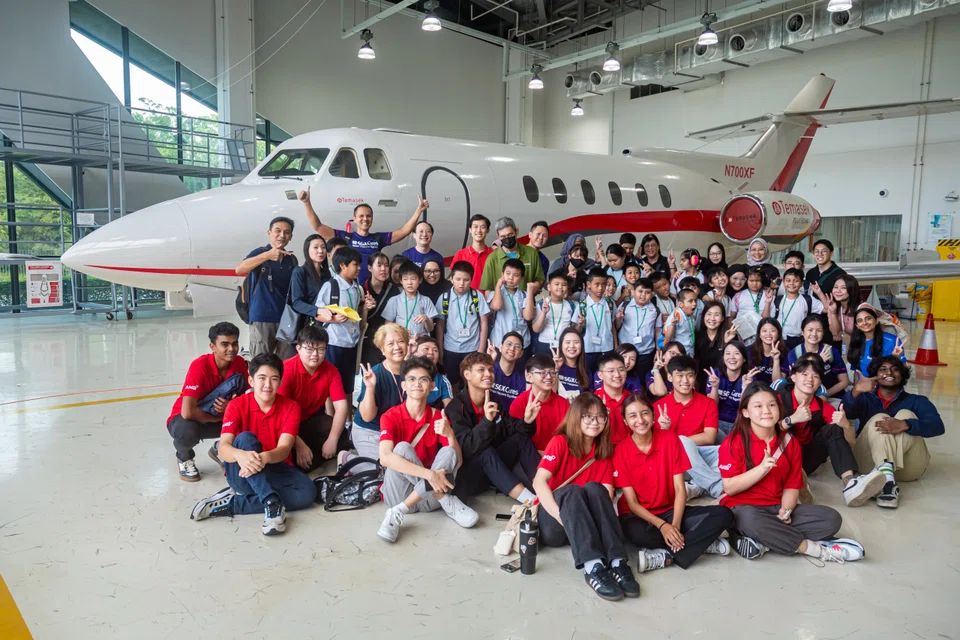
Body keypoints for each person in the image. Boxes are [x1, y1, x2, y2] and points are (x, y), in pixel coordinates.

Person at [718, 382, 865, 563]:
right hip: (743, 508)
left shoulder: (790, 442)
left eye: (772, 405)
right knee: (750, 520)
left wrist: (786, 510)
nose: (766, 411)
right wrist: (762, 468)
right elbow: (730, 487)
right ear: (746, 412)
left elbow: (791, 485)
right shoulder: (734, 442)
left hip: (775, 508)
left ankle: (765, 540)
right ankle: (815, 549)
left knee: (831, 519)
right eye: (758, 406)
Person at [190, 354, 317, 536]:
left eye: (274, 379)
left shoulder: (291, 407)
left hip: (273, 465)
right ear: (251, 380)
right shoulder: (236, 405)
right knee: (246, 439)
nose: (268, 385)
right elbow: (224, 447)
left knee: (307, 493)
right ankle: (272, 503)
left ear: (280, 382)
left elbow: (283, 450)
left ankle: (232, 503)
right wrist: (242, 456)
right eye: (262, 378)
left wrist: (263, 458)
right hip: (241, 471)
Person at [533, 394, 640, 601]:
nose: (595, 422)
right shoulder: (560, 442)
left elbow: (607, 492)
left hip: (585, 525)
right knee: (573, 491)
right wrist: (562, 516)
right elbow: (539, 482)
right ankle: (593, 567)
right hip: (555, 523)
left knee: (595, 488)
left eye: (600, 417)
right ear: (576, 418)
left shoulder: (603, 449)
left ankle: (618, 562)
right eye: (588, 417)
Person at [616, 393, 734, 572]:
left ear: (653, 415)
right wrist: (663, 526)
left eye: (645, 413)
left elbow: (680, 489)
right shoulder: (621, 451)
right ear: (625, 421)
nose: (640, 420)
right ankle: (699, 543)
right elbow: (632, 503)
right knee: (634, 533)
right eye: (632, 416)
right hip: (640, 516)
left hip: (671, 511)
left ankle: (667, 556)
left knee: (724, 515)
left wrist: (675, 526)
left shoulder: (670, 440)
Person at [376, 357, 479, 543]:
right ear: (404, 386)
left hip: (430, 499)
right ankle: (447, 501)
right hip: (400, 493)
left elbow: (458, 460)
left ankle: (398, 512)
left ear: (432, 386)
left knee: (449, 451)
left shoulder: (439, 416)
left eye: (423, 379)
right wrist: (429, 475)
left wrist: (449, 435)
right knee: (402, 448)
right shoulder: (390, 416)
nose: (417, 384)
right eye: (411, 379)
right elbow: (385, 458)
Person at [775, 354, 887, 507]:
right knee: (784, 437)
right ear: (793, 377)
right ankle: (793, 486)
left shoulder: (823, 408)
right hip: (780, 456)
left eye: (815, 376)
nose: (810, 379)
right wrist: (791, 419)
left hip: (806, 460)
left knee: (833, 428)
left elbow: (852, 444)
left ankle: (850, 484)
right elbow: (761, 433)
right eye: (805, 374)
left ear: (820, 382)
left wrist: (846, 425)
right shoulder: (777, 400)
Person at [843, 357, 944, 508]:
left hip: (908, 469)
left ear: (902, 375)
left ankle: (886, 477)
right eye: (883, 369)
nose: (889, 372)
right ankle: (888, 484)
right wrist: (856, 390)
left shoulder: (916, 401)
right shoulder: (865, 398)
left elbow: (937, 426)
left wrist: (905, 424)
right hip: (868, 463)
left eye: (895, 369)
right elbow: (847, 413)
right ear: (875, 375)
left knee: (906, 415)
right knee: (880, 418)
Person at [445, 352, 540, 502]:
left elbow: (512, 429)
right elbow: (466, 448)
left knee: (521, 439)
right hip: (467, 476)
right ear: (467, 374)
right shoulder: (455, 407)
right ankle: (532, 502)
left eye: (490, 370)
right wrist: (486, 420)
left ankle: (545, 488)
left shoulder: (494, 401)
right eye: (481, 370)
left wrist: (527, 421)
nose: (488, 374)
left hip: (494, 469)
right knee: (486, 452)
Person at [167, 322, 249, 482]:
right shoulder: (199, 366)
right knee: (186, 432)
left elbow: (246, 398)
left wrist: (231, 407)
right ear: (212, 346)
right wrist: (222, 417)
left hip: (221, 416)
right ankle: (184, 458)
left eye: (235, 344)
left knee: (250, 420)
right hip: (188, 418)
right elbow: (188, 412)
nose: (231, 349)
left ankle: (222, 448)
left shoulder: (239, 363)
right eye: (224, 344)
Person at [299, 188, 429, 285]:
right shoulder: (346, 237)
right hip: (350, 287)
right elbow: (318, 227)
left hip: (372, 288)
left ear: (372, 219)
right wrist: (306, 202)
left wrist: (419, 210)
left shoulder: (378, 238)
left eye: (368, 216)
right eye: (361, 216)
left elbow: (404, 231)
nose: (365, 219)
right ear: (354, 219)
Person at [277, 326, 351, 472]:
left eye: (321, 349)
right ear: (298, 348)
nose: (315, 355)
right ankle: (305, 460)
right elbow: (279, 413)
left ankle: (309, 460)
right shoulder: (285, 370)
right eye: (309, 349)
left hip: (310, 420)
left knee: (339, 434)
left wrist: (332, 440)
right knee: (283, 452)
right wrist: (299, 445)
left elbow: (341, 407)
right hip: (285, 424)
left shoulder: (330, 370)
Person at [654, 355, 723, 499]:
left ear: (695, 378)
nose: (685, 381)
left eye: (690, 375)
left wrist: (680, 441)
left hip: (699, 459)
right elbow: (656, 445)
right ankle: (716, 487)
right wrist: (665, 432)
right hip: (672, 464)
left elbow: (709, 437)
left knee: (727, 450)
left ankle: (694, 488)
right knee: (683, 442)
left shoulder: (708, 403)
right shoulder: (658, 407)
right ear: (670, 377)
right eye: (679, 375)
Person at [349, 324, 411, 473]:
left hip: (398, 432)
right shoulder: (375, 374)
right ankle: (348, 459)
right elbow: (367, 417)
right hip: (371, 431)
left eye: (401, 341)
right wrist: (370, 388)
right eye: (390, 343)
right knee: (384, 472)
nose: (397, 347)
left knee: (407, 468)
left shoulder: (413, 371)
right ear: (382, 350)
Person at [235, 216, 298, 358]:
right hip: (261, 319)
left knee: (284, 366)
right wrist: (267, 255)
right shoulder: (260, 252)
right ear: (269, 233)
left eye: (286, 232)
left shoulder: (291, 259)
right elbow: (239, 269)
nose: (282, 235)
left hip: (285, 321)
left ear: (291, 237)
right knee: (261, 364)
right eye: (278, 231)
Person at [316, 247, 369, 402]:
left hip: (351, 342)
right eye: (355, 264)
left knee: (348, 385)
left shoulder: (356, 288)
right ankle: (331, 418)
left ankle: (347, 420)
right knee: (331, 384)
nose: (359, 268)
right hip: (334, 342)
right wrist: (333, 319)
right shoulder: (330, 286)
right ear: (342, 266)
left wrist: (365, 305)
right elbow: (317, 314)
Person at [436, 261, 491, 388]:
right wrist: (440, 349)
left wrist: (481, 349)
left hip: (472, 348)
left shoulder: (477, 296)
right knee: (451, 382)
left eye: (466, 280)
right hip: (450, 348)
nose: (461, 283)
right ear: (451, 279)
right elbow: (440, 325)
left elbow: (484, 323)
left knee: (471, 382)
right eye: (458, 279)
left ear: (471, 280)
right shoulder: (444, 298)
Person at [509, 355, 571, 451]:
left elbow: (569, 437)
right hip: (526, 458)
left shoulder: (564, 404)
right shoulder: (519, 403)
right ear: (529, 377)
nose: (549, 377)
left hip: (555, 457)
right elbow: (514, 440)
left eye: (552, 373)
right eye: (543, 373)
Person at [708, 342, 761, 440]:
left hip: (739, 423)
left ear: (744, 358)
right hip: (716, 422)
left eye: (736, 353)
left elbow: (746, 408)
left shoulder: (750, 377)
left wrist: (745, 386)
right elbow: (712, 405)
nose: (731, 357)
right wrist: (715, 387)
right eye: (727, 353)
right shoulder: (715, 374)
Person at [786, 315, 848, 399]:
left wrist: (822, 395)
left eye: (819, 330)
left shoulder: (831, 351)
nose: (814, 334)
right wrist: (819, 360)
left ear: (823, 333)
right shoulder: (795, 354)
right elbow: (795, 381)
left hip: (833, 396)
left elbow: (844, 382)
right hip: (804, 397)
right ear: (802, 332)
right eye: (810, 330)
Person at [479, 216, 545, 291]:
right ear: (498, 237)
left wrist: (533, 288)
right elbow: (488, 289)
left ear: (517, 231)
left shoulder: (531, 253)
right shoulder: (492, 258)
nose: (507, 238)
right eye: (503, 236)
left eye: (510, 235)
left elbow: (540, 279)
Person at [614, 277, 661, 382]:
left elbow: (657, 330)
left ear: (652, 294)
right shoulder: (625, 306)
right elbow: (616, 327)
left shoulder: (655, 310)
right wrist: (618, 320)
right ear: (633, 292)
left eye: (647, 292)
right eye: (640, 291)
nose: (643, 295)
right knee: (622, 380)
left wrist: (658, 350)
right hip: (625, 353)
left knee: (643, 381)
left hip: (645, 353)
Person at [359, 252, 399, 367]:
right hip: (368, 341)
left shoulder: (393, 290)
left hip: (388, 339)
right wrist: (365, 308)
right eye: (379, 265)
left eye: (386, 265)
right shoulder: (361, 289)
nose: (383, 269)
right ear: (370, 268)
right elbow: (358, 323)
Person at [488, 259, 536, 353]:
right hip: (500, 341)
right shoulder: (495, 293)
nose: (511, 277)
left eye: (515, 275)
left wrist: (530, 292)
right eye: (508, 273)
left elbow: (528, 316)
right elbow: (497, 306)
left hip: (522, 341)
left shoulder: (524, 295)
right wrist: (498, 286)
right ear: (502, 275)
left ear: (521, 278)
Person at [380, 262, 438, 340]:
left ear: (420, 280)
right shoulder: (394, 300)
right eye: (405, 279)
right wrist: (398, 331)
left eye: (413, 279)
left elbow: (430, 329)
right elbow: (387, 325)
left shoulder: (426, 300)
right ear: (401, 281)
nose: (409, 282)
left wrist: (426, 319)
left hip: (421, 342)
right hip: (402, 340)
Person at [768, 268, 823, 349]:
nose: (791, 283)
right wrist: (767, 303)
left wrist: (819, 293)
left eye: (796, 281)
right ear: (783, 282)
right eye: (788, 280)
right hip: (781, 338)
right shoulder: (777, 300)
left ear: (802, 284)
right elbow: (767, 317)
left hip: (801, 338)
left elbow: (826, 309)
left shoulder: (808, 299)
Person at [288, 234, 331, 331]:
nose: (320, 251)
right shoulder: (300, 272)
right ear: (307, 250)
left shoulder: (327, 275)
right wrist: (318, 310)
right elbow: (297, 303)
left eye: (323, 247)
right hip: (307, 326)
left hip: (326, 326)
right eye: (315, 247)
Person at [848, 305, 906, 376]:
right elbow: (857, 372)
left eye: (868, 318)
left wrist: (896, 358)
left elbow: (904, 371)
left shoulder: (892, 341)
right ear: (857, 326)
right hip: (865, 385)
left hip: (885, 385)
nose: (864, 323)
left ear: (877, 320)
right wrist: (857, 386)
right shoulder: (856, 342)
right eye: (860, 320)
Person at [532, 270, 580, 355]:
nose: (560, 287)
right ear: (549, 287)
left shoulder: (572, 306)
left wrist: (579, 324)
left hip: (564, 344)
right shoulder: (541, 304)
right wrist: (543, 312)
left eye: (564, 285)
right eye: (557, 284)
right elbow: (536, 329)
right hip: (544, 344)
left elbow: (575, 331)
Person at [581, 268, 616, 371]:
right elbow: (577, 329)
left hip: (607, 347)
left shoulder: (610, 303)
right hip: (588, 348)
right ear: (588, 284)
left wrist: (616, 344)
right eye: (597, 284)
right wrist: (580, 324)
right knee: (589, 374)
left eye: (604, 284)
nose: (601, 288)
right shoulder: (583, 305)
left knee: (606, 374)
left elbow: (613, 325)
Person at [694, 300, 734, 393]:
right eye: (709, 314)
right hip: (701, 382)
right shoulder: (696, 336)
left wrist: (726, 342)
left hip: (722, 382)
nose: (712, 318)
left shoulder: (729, 336)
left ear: (723, 318)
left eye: (716, 315)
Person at [595, 352, 630, 445]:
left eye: (621, 370)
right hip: (602, 452)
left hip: (630, 452)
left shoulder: (634, 400)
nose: (617, 375)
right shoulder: (593, 401)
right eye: (611, 371)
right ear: (600, 375)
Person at [451, 214, 493, 291]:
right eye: (475, 227)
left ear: (488, 230)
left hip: (488, 299)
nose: (479, 230)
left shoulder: (493, 254)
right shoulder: (460, 255)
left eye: (483, 227)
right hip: (467, 299)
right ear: (470, 229)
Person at [730, 268, 771, 345]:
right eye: (751, 281)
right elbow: (732, 316)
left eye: (758, 281)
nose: (754, 283)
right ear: (747, 281)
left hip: (761, 334)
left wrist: (768, 303)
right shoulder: (738, 295)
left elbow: (766, 318)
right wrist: (731, 332)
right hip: (742, 335)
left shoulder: (768, 295)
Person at [816, 273, 860, 344]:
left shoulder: (862, 308)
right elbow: (835, 334)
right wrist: (833, 313)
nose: (838, 291)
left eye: (843, 288)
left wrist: (843, 334)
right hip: (851, 346)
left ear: (852, 289)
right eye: (836, 287)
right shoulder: (834, 306)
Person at [487, 333, 527, 409]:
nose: (512, 349)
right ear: (500, 347)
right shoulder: (489, 370)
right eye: (509, 344)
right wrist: (489, 361)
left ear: (521, 353)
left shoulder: (522, 380)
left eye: (517, 346)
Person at [413, 336, 454, 408]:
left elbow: (449, 408)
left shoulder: (443, 380)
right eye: (426, 349)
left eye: (435, 350)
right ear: (415, 353)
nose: (431, 352)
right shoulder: (407, 377)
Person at [556, 327, 591, 401]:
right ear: (561, 345)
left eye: (576, 342)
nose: (572, 346)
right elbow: (549, 395)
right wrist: (555, 370)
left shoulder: (586, 371)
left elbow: (589, 399)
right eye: (568, 342)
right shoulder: (553, 367)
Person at [663, 289, 699, 356]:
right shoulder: (676, 316)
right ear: (680, 304)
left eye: (695, 300)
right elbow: (668, 337)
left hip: (689, 352)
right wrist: (672, 325)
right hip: (679, 354)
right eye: (690, 301)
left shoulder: (691, 316)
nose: (694, 303)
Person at [750, 318, 786, 384]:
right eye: (764, 331)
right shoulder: (749, 351)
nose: (768, 334)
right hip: (754, 390)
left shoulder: (785, 353)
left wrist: (776, 360)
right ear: (759, 334)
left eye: (772, 331)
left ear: (778, 334)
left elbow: (778, 383)